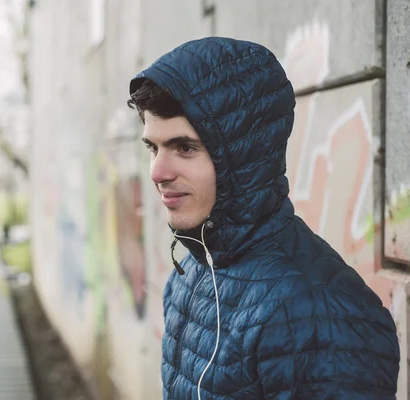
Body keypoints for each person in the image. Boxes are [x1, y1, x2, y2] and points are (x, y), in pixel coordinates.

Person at [127, 37, 400, 400]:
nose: (158, 172)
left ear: (243, 159)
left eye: (185, 148)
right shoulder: (192, 273)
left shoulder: (319, 315)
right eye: (153, 148)